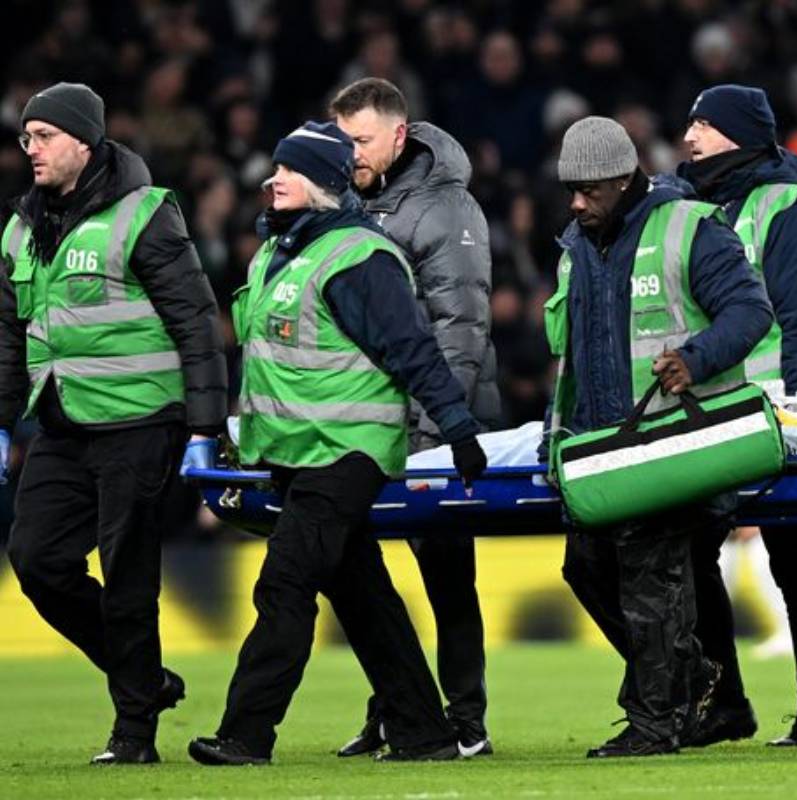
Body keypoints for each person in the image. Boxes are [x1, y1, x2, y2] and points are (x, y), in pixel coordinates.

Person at [187, 122, 488, 766]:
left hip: (345, 452)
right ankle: (424, 732)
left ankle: (245, 734)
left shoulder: (359, 257)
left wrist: (456, 427)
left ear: (322, 184)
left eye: (288, 170)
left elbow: (409, 347)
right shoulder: (274, 253)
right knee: (364, 598)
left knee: (284, 586)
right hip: (295, 453)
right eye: (274, 168)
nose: (273, 179)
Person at [0, 82, 227, 765]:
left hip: (140, 423)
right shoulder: (19, 229)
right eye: (26, 138)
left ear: (83, 143)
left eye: (43, 136)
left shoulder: (145, 214)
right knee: (36, 561)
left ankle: (133, 736)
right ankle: (145, 680)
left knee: (130, 578)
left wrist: (204, 426)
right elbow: (11, 335)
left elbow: (197, 321)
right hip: (63, 424)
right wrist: (4, 423)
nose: (29, 149)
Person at [545, 116, 773, 757]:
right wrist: (555, 439)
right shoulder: (579, 246)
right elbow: (575, 357)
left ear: (624, 178)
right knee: (587, 568)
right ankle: (695, 679)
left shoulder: (689, 226)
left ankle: (656, 720)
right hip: (603, 449)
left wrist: (696, 358)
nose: (576, 203)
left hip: (673, 444)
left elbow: (752, 311)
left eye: (588, 191)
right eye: (570, 190)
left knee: (652, 583)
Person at [329, 77, 498, 758]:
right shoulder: (349, 205)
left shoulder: (445, 207)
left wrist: (439, 429)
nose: (351, 155)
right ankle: (397, 707)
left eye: (361, 140)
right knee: (362, 575)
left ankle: (466, 720)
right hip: (367, 424)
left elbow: (461, 329)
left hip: (431, 426)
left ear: (399, 136)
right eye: (342, 142)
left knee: (446, 574)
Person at [676, 83, 797, 748]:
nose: (689, 135)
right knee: (695, 554)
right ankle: (728, 702)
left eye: (704, 124)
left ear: (741, 133)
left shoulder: (786, 207)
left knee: (795, 559)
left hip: (781, 407)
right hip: (712, 411)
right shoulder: (692, 205)